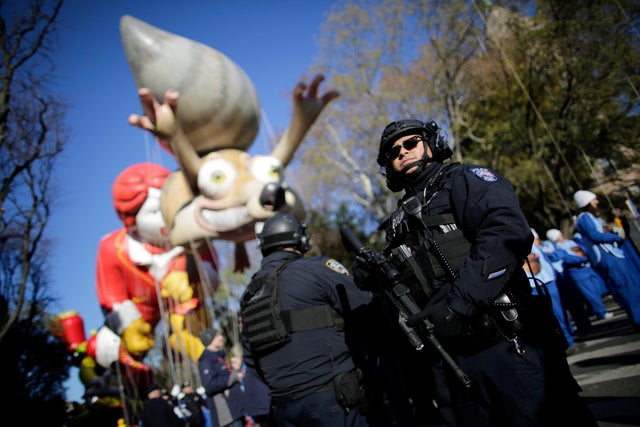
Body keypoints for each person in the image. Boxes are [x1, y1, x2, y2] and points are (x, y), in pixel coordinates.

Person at [361, 118, 596, 426]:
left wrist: (461, 303)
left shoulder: (464, 179)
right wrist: (370, 275)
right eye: (393, 152)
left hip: (506, 341)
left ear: (430, 143)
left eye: (410, 143)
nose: (402, 152)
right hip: (453, 360)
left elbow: (506, 233)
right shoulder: (398, 221)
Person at [240, 213, 372, 426]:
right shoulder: (317, 268)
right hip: (334, 398)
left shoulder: (249, 294)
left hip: (285, 408)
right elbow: (365, 309)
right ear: (299, 240)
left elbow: (250, 359)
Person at [573, 190, 640, 330]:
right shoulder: (584, 217)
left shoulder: (591, 217)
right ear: (587, 202)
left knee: (631, 286)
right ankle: (637, 319)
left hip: (613, 254)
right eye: (594, 200)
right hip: (607, 256)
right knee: (626, 288)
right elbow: (595, 235)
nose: (597, 202)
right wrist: (616, 237)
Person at [526, 229, 580, 352]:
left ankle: (569, 342)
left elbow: (547, 260)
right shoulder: (513, 248)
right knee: (552, 317)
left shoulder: (534, 246)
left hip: (549, 283)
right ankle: (566, 344)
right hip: (534, 287)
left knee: (560, 314)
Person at [545, 228, 614, 321]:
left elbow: (583, 250)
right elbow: (568, 258)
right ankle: (601, 312)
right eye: (558, 235)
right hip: (576, 271)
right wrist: (580, 258)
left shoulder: (569, 242)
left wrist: (582, 255)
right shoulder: (557, 248)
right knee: (590, 293)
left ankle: (594, 310)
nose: (560, 235)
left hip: (586, 268)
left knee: (596, 290)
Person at [197, 327, 246, 427]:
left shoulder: (221, 356)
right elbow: (210, 385)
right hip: (228, 414)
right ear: (210, 339)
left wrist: (235, 369)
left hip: (237, 409)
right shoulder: (206, 360)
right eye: (217, 335)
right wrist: (234, 376)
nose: (221, 337)